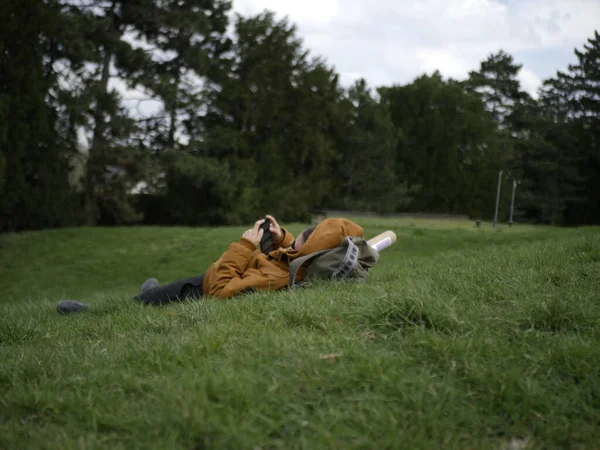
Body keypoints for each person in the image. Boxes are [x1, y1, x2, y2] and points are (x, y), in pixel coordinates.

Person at [134, 215, 365, 305]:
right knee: (165, 289)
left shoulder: (272, 279)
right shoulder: (304, 268)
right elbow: (291, 258)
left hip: (201, 289)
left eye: (296, 243)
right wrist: (281, 240)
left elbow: (219, 290)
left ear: (306, 253)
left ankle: (145, 296)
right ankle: (152, 292)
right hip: (217, 279)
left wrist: (245, 247)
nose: (291, 246)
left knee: (153, 299)